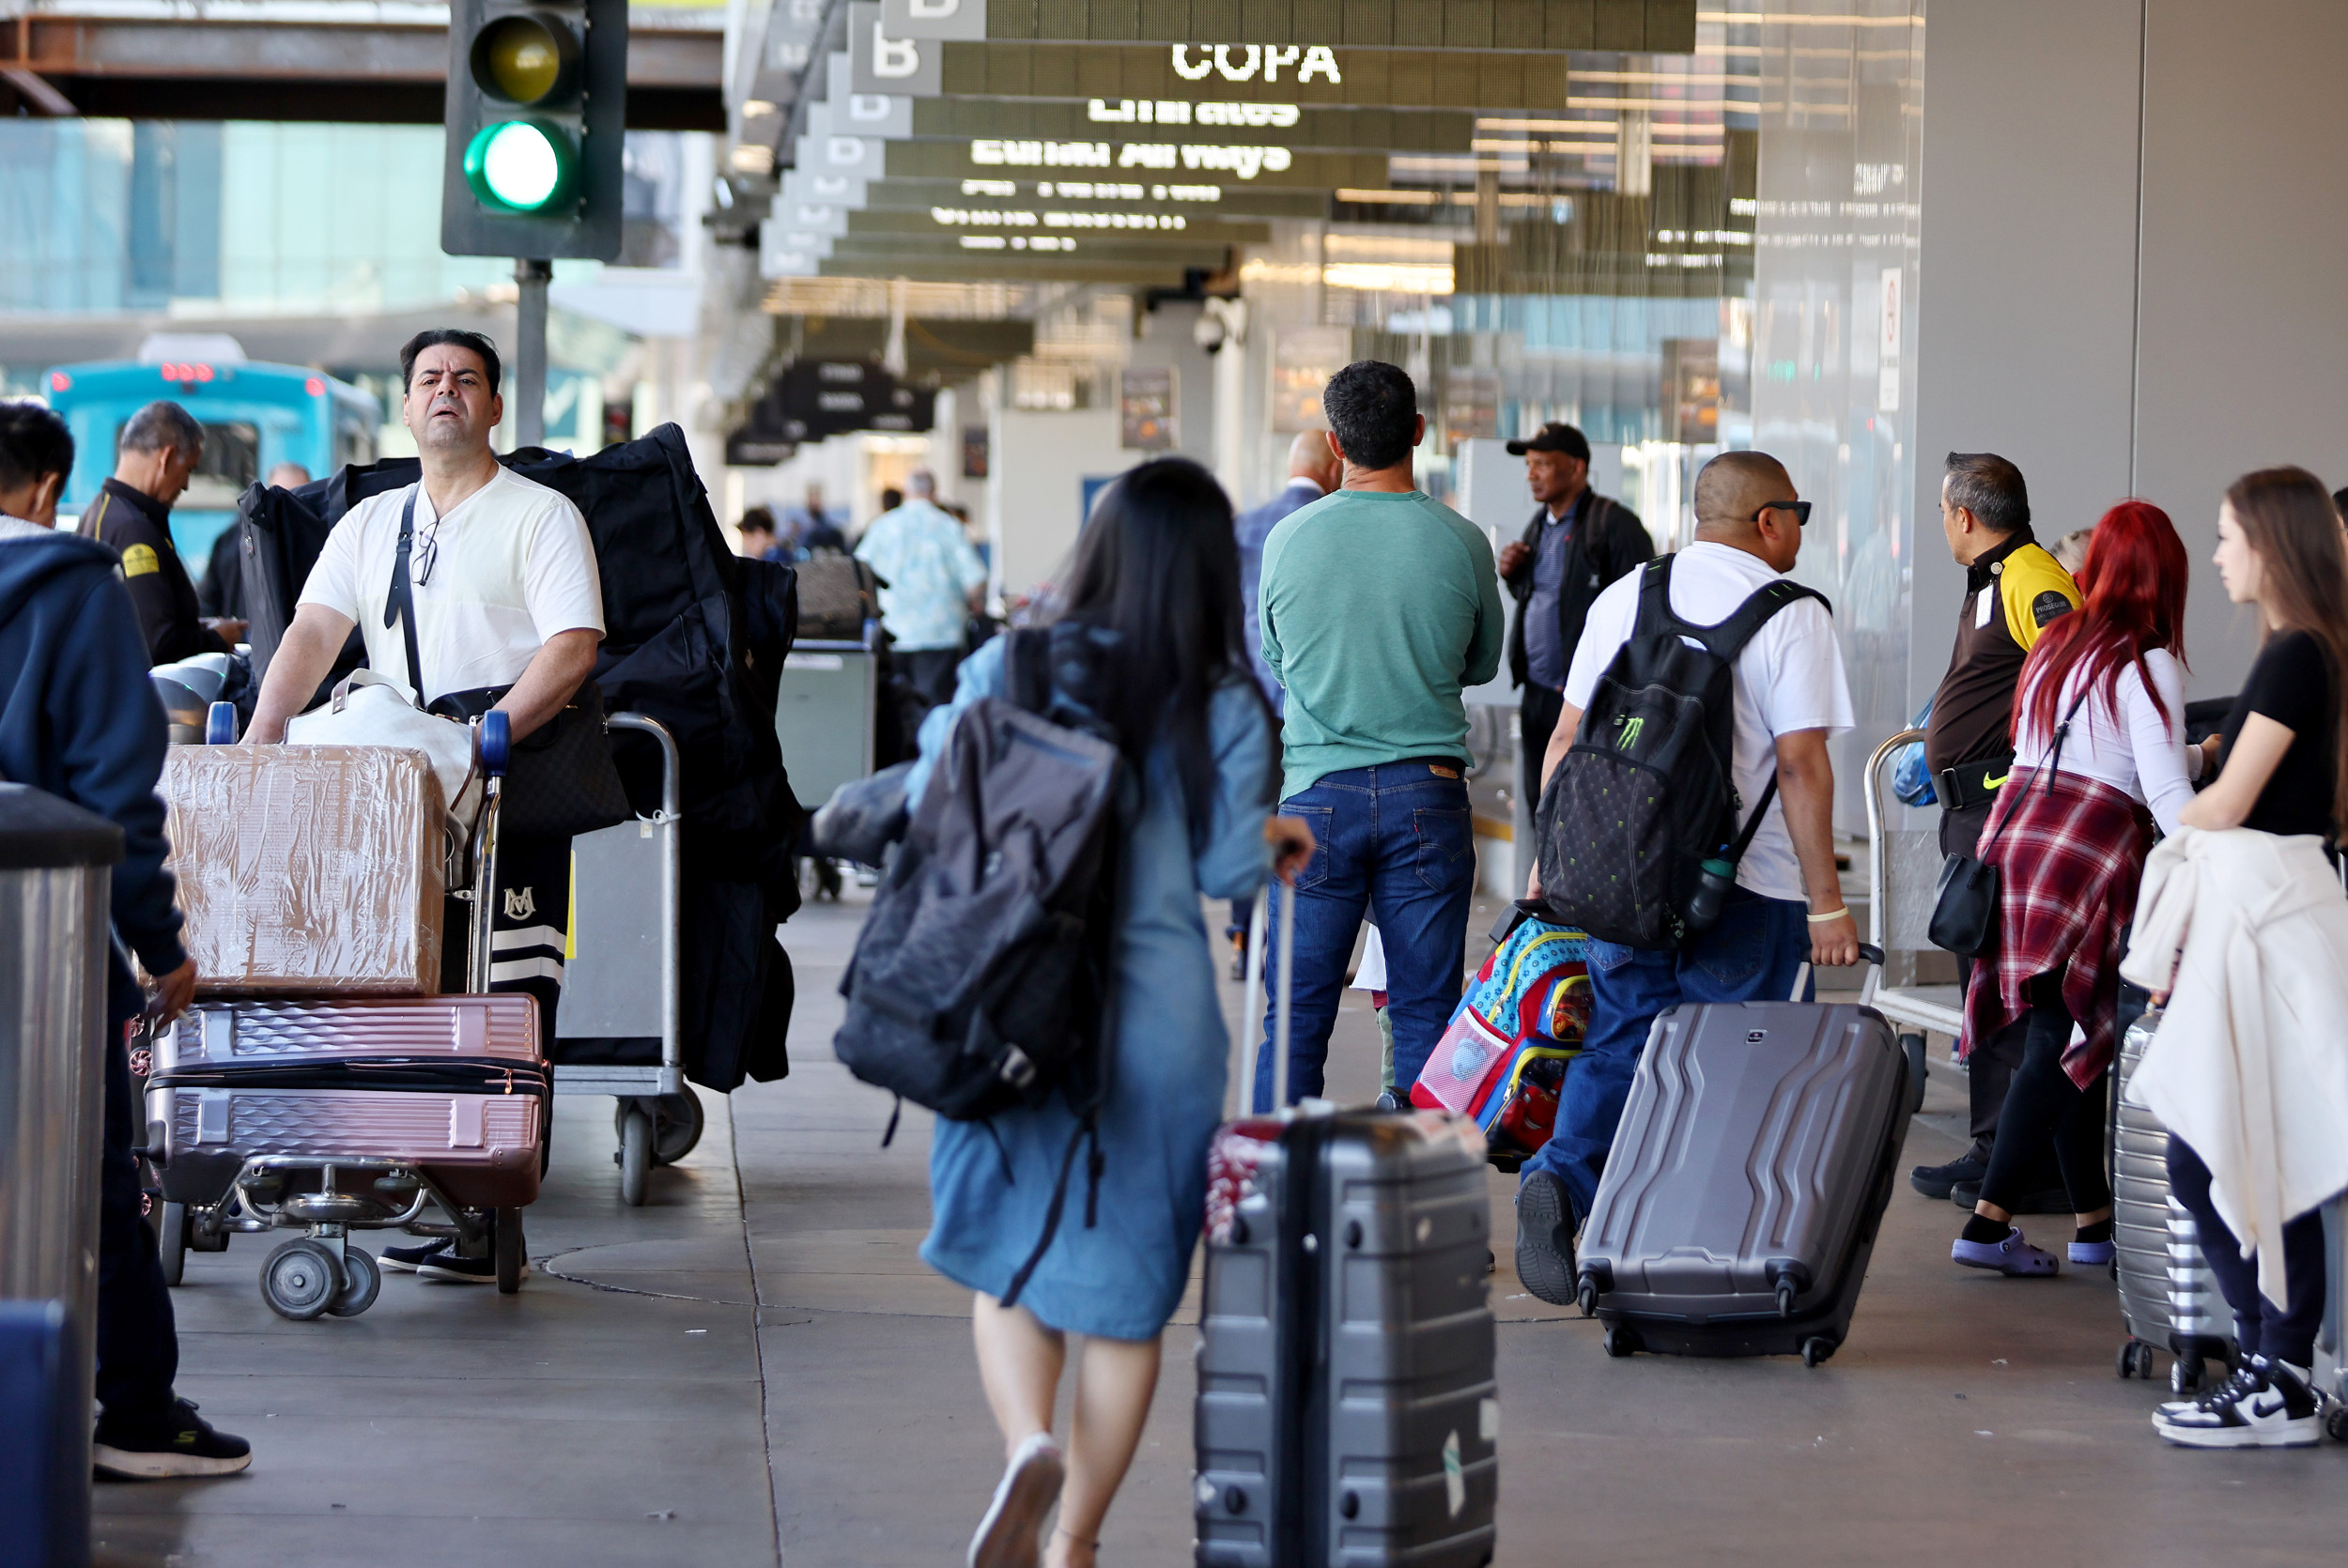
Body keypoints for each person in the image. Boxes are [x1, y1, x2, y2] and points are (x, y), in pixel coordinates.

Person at [904, 456, 1313, 1568]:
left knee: (1009, 1263)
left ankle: (1028, 1441)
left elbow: (935, 780)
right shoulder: (1223, 697)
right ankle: (1074, 1541)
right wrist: (1274, 837)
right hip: (1159, 1022)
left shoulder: (1013, 660)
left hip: (1015, 1001)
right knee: (1128, 1305)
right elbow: (1230, 861)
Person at [247, 329, 606, 1282]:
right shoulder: (369, 524)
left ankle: (491, 1215)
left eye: (467, 380)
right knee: (377, 986)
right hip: (385, 797)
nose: (446, 392)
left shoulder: (540, 514)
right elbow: (313, 631)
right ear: (407, 407)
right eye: (429, 380)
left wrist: (495, 735)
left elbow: (572, 644)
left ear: (494, 407)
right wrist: (262, 736)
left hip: (503, 787)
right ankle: (376, 1165)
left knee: (506, 996)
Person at [1512, 451, 1859, 1304]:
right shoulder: (1793, 614)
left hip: (1621, 872)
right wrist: (1828, 903)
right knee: (1730, 1063)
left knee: (1622, 1035)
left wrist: (1546, 865)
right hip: (1753, 886)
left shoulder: (1627, 593)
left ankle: (1564, 1177)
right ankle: (1684, 1244)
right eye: (1799, 514)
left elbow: (1566, 738)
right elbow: (1804, 766)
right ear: (1770, 521)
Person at [0, 401, 251, 1477]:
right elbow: (118, 790)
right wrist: (160, 947)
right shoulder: (72, 586)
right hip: (39, 929)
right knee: (90, 1164)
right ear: (52, 489)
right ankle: (135, 1410)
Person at [2139, 468, 2348, 1448]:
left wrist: (2168, 796)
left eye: (2226, 536)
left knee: (2239, 1148)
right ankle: (2277, 1365)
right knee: (2239, 1147)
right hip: (2276, 912)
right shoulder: (2306, 652)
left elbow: (2224, 804)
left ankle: (2280, 1369)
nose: (2216, 553)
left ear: (2268, 543)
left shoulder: (2295, 655)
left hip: (2263, 920)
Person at [1948, 500, 2198, 1280]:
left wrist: (2200, 751)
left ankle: (2095, 1227)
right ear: (2166, 576)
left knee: (2069, 1031)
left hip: (2020, 844)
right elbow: (2163, 799)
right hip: (2089, 858)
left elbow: (2077, 748)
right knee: (2061, 1041)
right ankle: (1988, 1227)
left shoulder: (2057, 643)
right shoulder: (2146, 661)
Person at [1254, 360, 1504, 1110]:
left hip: (1312, 800)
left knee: (1295, 1015)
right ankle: (1420, 1209)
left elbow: (1277, 659)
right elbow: (1482, 663)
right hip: (1425, 797)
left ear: (1336, 444)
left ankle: (1277, 1201)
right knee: (1427, 1011)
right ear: (1420, 432)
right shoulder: (1461, 540)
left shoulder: (1288, 539)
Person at [1910, 453, 2081, 1208]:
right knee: (1987, 990)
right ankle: (1992, 1149)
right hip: (1972, 816)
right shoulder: (1992, 581)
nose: (1942, 521)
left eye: (1943, 509)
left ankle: (2024, 1163)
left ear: (1965, 516)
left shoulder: (2033, 579)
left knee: (2013, 994)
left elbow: (2075, 692)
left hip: (2004, 817)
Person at [1221, 432, 1343, 976]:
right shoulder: (1334, 524)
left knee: (1252, 816)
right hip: (1312, 703)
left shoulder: (1243, 524)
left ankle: (1242, 938)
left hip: (1247, 699)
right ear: (1332, 470)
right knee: (1305, 818)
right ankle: (1294, 948)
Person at [1495, 422, 1652, 826]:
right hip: (1539, 694)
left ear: (1577, 468)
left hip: (1590, 699)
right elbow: (1547, 601)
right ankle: (1542, 886)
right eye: (1529, 464)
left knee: (1587, 811)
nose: (1531, 473)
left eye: (1543, 464)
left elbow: (1644, 613)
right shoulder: (1539, 525)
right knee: (1540, 804)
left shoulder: (1615, 526)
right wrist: (1516, 577)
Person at [74, 399, 244, 661]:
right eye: (188, 469)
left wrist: (197, 628)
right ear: (166, 458)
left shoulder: (101, 511)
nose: (186, 484)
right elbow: (155, 643)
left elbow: (136, 620)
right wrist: (216, 639)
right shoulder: (133, 530)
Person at [855, 468, 987, 707]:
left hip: (892, 632)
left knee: (894, 708)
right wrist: (969, 602)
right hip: (940, 633)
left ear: (907, 492)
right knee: (933, 707)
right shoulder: (950, 527)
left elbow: (858, 573)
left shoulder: (882, 527)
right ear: (933, 493)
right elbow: (975, 580)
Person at [198, 461, 311, 622]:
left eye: (295, 498)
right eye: (280, 497)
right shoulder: (231, 539)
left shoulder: (322, 542)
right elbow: (208, 602)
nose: (287, 507)